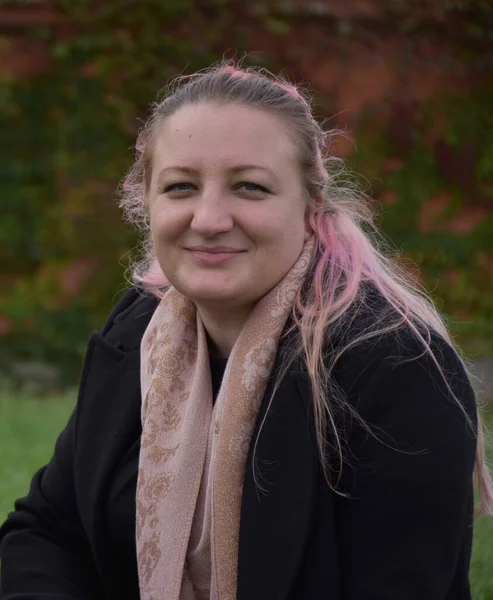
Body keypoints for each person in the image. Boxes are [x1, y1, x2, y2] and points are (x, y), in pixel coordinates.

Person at [1, 59, 492, 600]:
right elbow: (46, 532)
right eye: (181, 186)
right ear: (147, 201)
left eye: (250, 188)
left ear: (311, 205)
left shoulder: (394, 366)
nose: (209, 218)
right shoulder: (136, 333)